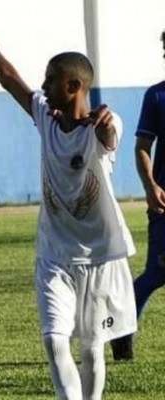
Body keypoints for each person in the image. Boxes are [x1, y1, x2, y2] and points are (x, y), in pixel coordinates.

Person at [0, 10, 137, 400]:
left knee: (91, 347)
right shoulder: (45, 116)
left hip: (99, 256)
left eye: (50, 80)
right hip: (54, 254)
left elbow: (111, 136)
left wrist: (105, 124)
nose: (42, 87)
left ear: (73, 86)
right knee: (54, 339)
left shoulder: (101, 128)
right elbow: (11, 80)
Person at [110, 30, 165, 361]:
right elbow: (142, 146)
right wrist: (150, 185)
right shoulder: (156, 96)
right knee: (158, 273)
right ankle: (120, 331)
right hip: (164, 203)